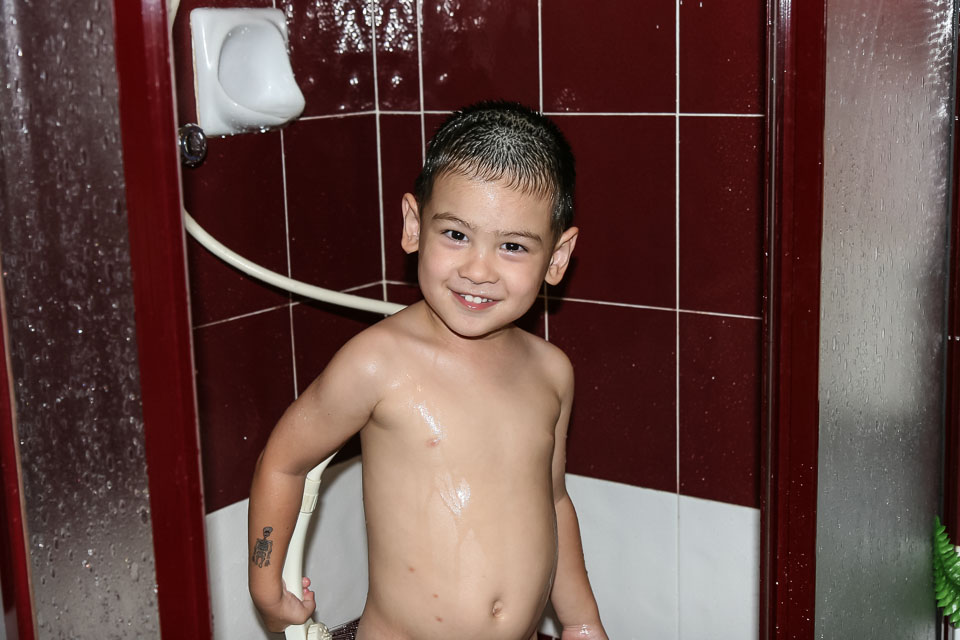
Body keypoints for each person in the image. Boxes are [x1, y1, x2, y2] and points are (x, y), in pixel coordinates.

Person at [248, 101, 608, 640]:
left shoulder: (551, 372)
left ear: (557, 257)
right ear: (414, 226)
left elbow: (553, 500)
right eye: (456, 235)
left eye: (512, 246)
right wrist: (266, 587)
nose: (478, 270)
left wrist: (581, 621)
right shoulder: (378, 362)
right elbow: (284, 462)